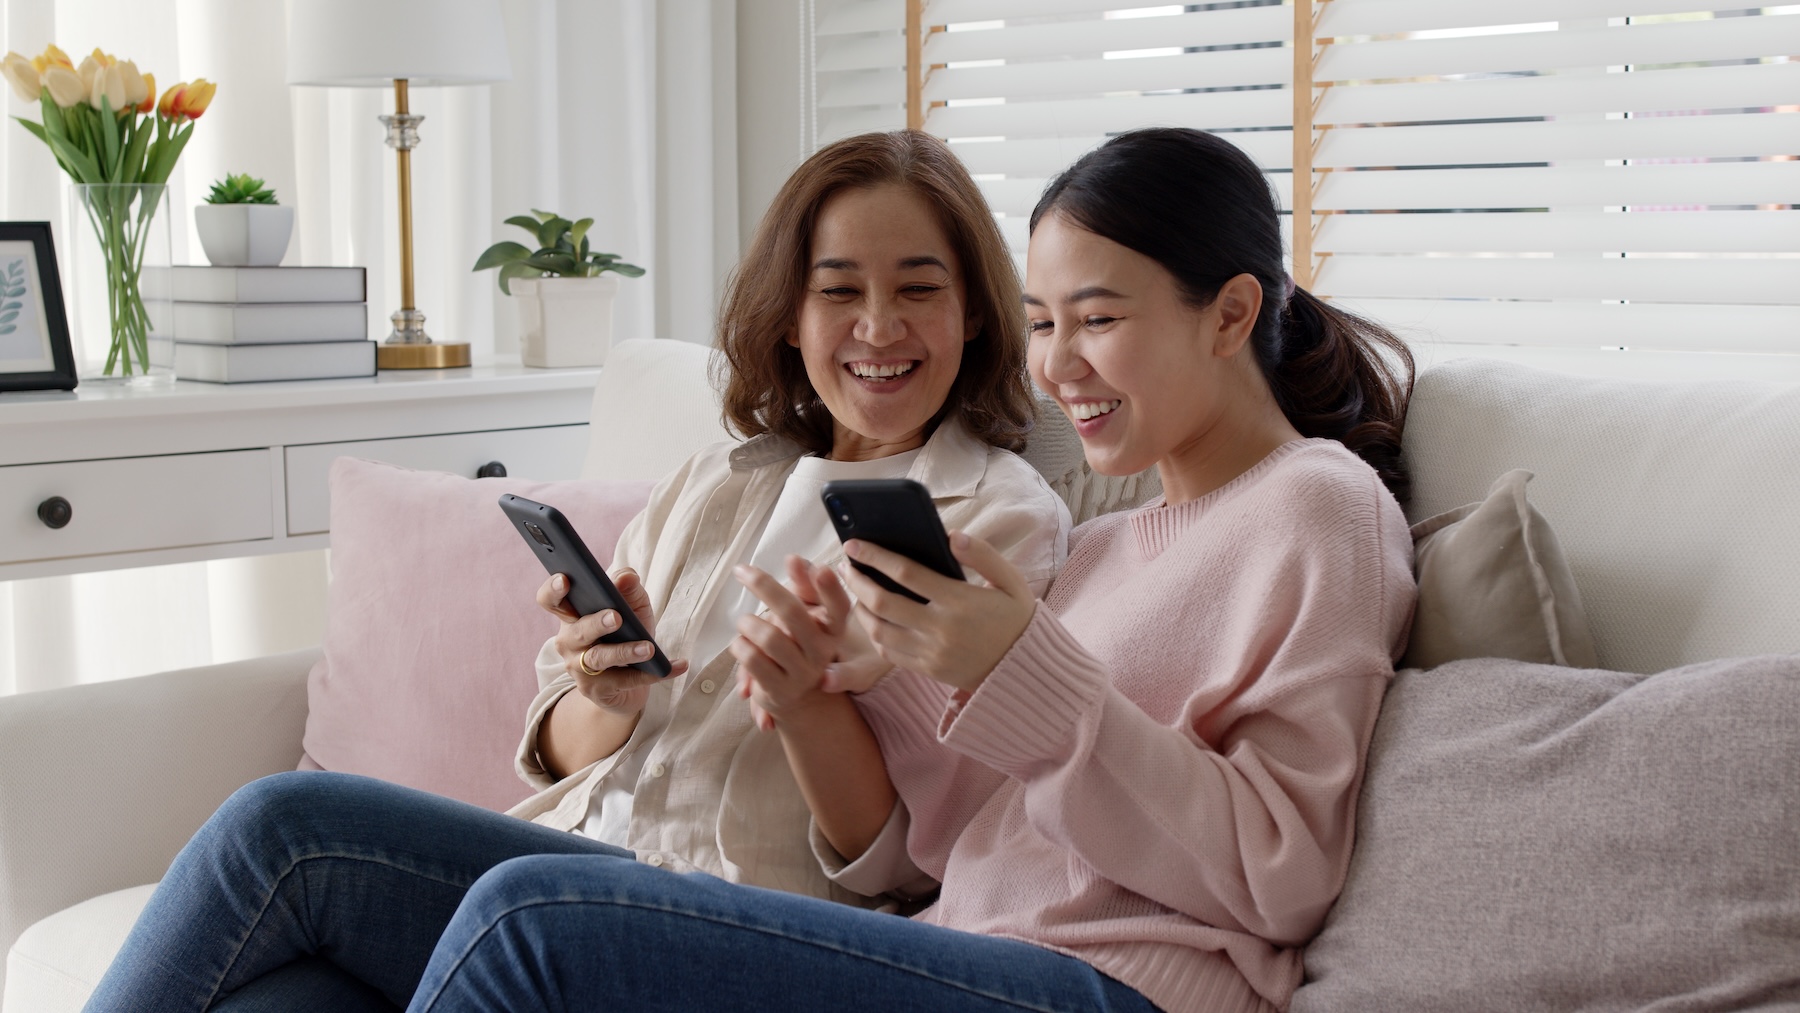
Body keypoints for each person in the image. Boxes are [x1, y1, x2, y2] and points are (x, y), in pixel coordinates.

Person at [389, 126, 1420, 1013]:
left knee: (526, 915)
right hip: (962, 948)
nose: (1057, 365)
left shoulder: (1319, 508)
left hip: (1104, 985)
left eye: (1097, 319)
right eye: (1048, 321)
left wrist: (1020, 667)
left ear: (1232, 314)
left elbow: (1283, 873)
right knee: (289, 851)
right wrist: (866, 679)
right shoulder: (1113, 546)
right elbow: (951, 843)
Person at [82, 130, 1069, 1013]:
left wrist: (811, 705)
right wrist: (608, 689)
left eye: (919, 288)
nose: (879, 325)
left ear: (977, 312)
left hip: (743, 918)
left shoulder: (998, 524)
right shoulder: (714, 480)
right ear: (789, 315)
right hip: (575, 860)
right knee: (288, 995)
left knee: (282, 825)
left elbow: (913, 864)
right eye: (840, 288)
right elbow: (560, 743)